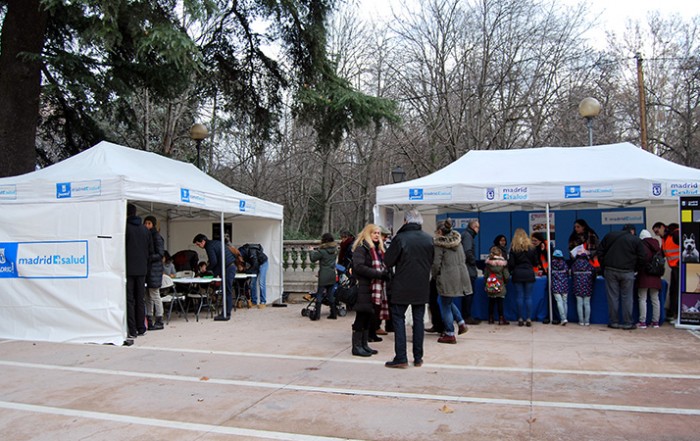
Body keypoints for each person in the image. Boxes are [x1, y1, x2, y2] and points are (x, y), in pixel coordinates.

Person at [384, 209, 434, 368]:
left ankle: (401, 357)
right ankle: (418, 357)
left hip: (402, 284)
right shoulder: (428, 239)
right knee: (418, 321)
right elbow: (431, 260)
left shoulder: (400, 238)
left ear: (405, 221)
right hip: (421, 284)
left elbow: (388, 261)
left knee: (399, 319)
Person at [598, 224, 646, 330]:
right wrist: (636, 268)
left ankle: (614, 322)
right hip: (628, 271)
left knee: (612, 297)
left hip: (610, 270)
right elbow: (643, 257)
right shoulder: (635, 240)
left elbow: (600, 252)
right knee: (627, 297)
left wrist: (604, 267)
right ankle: (628, 322)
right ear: (632, 231)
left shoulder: (610, 235)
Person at [350, 224, 388, 357]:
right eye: (374, 233)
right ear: (368, 234)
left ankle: (364, 344)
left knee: (368, 316)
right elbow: (359, 267)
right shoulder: (361, 248)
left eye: (378, 233)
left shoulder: (377, 250)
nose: (377, 235)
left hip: (373, 288)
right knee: (361, 317)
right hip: (363, 287)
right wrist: (379, 274)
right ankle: (357, 346)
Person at [431, 219, 471, 344]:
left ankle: (449, 333)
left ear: (440, 231)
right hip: (460, 275)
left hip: (447, 276)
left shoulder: (439, 244)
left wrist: (435, 275)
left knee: (444, 304)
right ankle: (461, 323)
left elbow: (436, 263)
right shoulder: (458, 242)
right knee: (447, 302)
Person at [193, 233, 237, 321]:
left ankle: (226, 314)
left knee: (227, 291)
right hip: (229, 266)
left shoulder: (209, 246)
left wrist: (206, 272)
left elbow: (213, 262)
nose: (199, 246)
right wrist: (213, 273)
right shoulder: (214, 243)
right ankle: (225, 313)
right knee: (226, 291)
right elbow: (218, 261)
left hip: (228, 268)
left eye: (198, 244)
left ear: (203, 241)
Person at [125, 203, 153, 338]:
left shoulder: (125, 228)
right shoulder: (145, 230)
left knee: (130, 300)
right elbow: (150, 251)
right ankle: (141, 327)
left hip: (128, 269)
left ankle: (132, 329)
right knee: (140, 299)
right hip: (142, 269)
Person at [508, 228, 538, 327]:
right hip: (529, 272)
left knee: (519, 297)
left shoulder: (513, 248)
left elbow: (511, 264)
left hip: (518, 273)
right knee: (528, 297)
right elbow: (535, 262)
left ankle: (520, 318)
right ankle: (529, 318)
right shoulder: (532, 248)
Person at [309, 233, 339, 320]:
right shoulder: (335, 250)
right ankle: (333, 313)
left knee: (319, 294)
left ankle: (317, 315)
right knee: (330, 295)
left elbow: (313, 259)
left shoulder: (322, 251)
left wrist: (311, 250)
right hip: (332, 274)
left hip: (323, 275)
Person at [637, 229, 663, 328]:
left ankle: (642, 321)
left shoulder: (642, 246)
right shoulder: (657, 246)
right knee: (655, 299)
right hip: (656, 276)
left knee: (642, 299)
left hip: (644, 275)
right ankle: (655, 321)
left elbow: (641, 260)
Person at [143, 215, 165, 331]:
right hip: (149, 270)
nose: (147, 225)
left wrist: (148, 257)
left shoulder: (156, 237)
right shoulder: (148, 236)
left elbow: (160, 254)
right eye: (145, 223)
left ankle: (160, 320)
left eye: (149, 223)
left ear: (153, 225)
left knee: (155, 295)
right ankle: (149, 319)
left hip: (154, 270)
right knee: (148, 297)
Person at [460, 219, 481, 325]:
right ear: (474, 227)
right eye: (478, 227)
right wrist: (474, 263)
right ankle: (467, 316)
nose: (479, 230)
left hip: (467, 269)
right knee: (468, 294)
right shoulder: (468, 236)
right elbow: (468, 252)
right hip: (468, 270)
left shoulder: (466, 235)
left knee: (467, 294)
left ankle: (466, 315)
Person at [484, 246, 510, 325]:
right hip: (500, 285)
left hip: (491, 285)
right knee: (500, 303)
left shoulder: (488, 265)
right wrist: (505, 282)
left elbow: (485, 276)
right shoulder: (502, 265)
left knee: (491, 302)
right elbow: (506, 276)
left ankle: (490, 318)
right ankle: (501, 319)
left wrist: (487, 283)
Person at [238, 243, 269, 308]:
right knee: (252, 283)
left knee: (261, 282)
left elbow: (255, 265)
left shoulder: (251, 252)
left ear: (240, 255)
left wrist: (246, 272)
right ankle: (254, 301)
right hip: (255, 264)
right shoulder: (242, 253)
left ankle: (263, 302)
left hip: (263, 263)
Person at [571, 245, 595, 326]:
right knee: (587, 303)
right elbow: (594, 275)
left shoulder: (574, 265)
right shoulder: (589, 265)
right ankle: (587, 321)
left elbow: (572, 275)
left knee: (579, 304)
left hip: (577, 287)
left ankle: (581, 321)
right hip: (587, 287)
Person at [661, 222, 680, 321]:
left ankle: (676, 313)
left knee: (676, 291)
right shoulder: (666, 239)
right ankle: (674, 312)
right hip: (675, 267)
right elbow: (662, 253)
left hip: (678, 267)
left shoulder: (675, 235)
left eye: (657, 230)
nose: (657, 233)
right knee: (673, 291)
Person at [550, 249, 570, 326]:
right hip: (564, 284)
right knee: (565, 301)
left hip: (556, 285)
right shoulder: (565, 264)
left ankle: (563, 318)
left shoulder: (551, 264)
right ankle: (564, 317)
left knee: (559, 301)